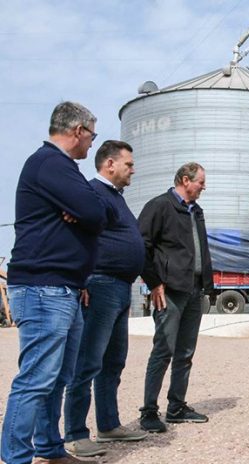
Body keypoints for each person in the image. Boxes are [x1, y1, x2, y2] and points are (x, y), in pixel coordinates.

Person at [2, 101, 108, 464]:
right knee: (36, 379)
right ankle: (15, 457)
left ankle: (50, 448)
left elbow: (98, 210)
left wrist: (84, 209)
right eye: (92, 135)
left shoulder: (64, 170)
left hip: (63, 287)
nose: (92, 142)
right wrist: (85, 210)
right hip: (43, 287)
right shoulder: (50, 164)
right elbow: (95, 211)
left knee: (58, 377)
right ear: (78, 130)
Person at [63, 141, 148, 457]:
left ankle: (109, 424)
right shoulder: (93, 193)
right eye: (129, 164)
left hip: (121, 287)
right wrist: (82, 278)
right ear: (110, 164)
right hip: (100, 285)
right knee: (88, 361)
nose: (133, 170)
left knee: (113, 361)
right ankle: (75, 433)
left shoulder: (115, 197)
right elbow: (75, 237)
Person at [138, 162, 214, 433]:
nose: (204, 187)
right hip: (169, 291)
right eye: (201, 182)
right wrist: (154, 282)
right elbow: (141, 246)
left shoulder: (196, 211)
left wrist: (207, 285)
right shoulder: (159, 206)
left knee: (186, 352)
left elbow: (200, 249)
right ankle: (149, 411)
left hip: (194, 289)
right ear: (185, 180)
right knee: (163, 350)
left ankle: (177, 407)